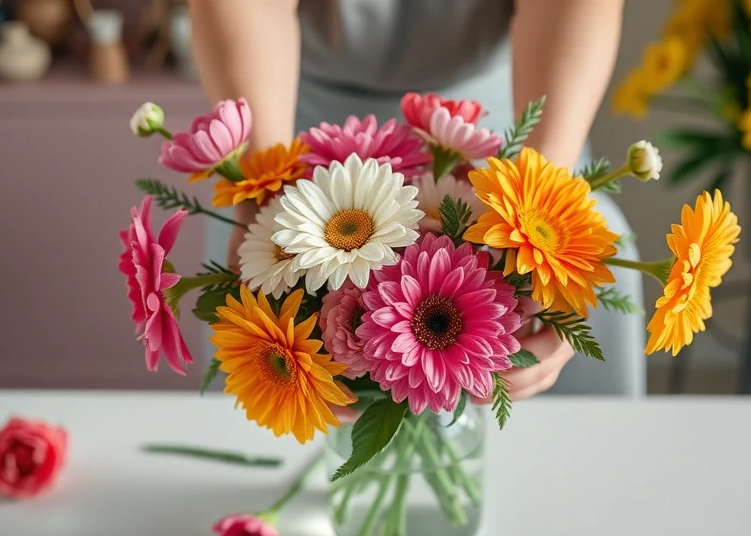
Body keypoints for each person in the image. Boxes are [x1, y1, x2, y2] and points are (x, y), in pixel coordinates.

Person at [189, 0, 646, 401]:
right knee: (264, 309)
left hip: (509, 140)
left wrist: (545, 217)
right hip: (290, 140)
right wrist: (264, 198)